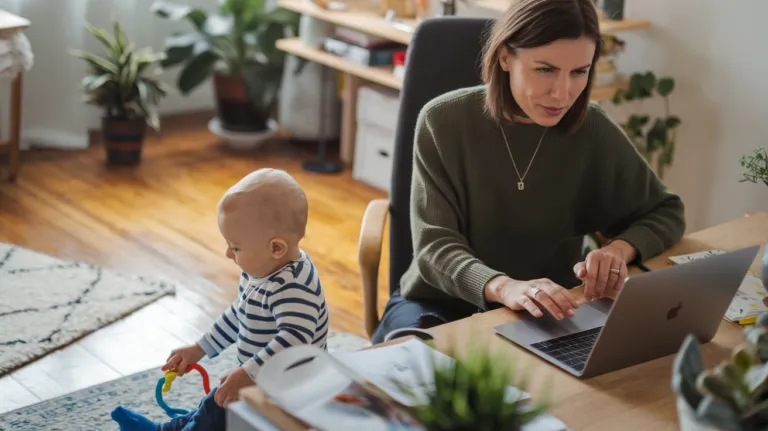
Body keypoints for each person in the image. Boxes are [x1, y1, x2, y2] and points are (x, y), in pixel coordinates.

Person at [371, 0, 686, 344]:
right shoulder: (443, 122)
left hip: (547, 311)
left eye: (579, 72)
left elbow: (665, 210)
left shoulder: (591, 128)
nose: (562, 93)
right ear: (506, 57)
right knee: (412, 383)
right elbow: (435, 249)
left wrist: (618, 251)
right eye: (545, 69)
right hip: (440, 304)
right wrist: (505, 287)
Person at [111, 168, 329, 430]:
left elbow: (294, 341)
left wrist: (247, 373)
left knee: (218, 406)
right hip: (262, 375)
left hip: (293, 387)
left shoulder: (293, 286)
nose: (228, 253)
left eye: (235, 247)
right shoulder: (260, 271)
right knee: (214, 405)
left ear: (275, 248)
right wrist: (199, 348)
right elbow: (239, 315)